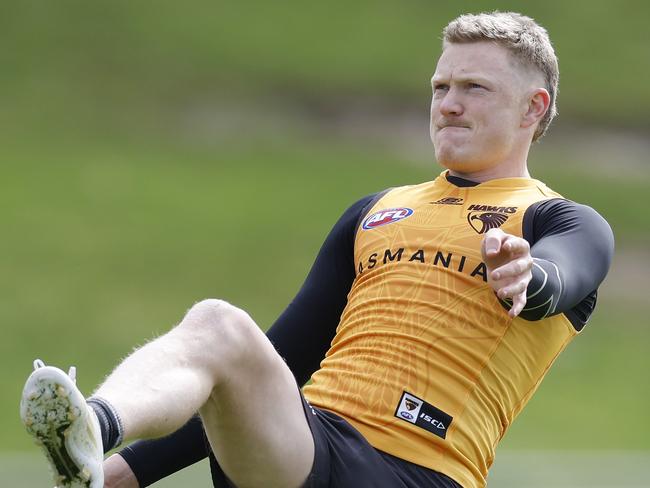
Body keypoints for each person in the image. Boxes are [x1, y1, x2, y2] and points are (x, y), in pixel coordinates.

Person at [20, 11, 614, 488]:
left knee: (221, 328)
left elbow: (563, 274)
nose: (448, 104)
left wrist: (528, 278)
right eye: (440, 87)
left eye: (474, 89)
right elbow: (284, 356)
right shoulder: (375, 211)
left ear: (533, 108)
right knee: (219, 329)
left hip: (415, 470)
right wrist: (125, 474)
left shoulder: (558, 219)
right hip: (308, 447)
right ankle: (93, 431)